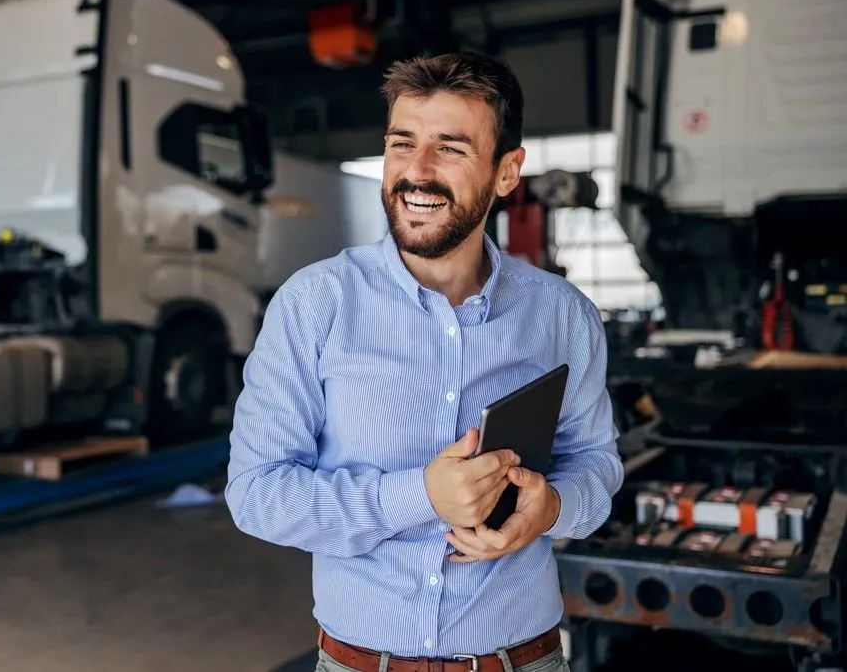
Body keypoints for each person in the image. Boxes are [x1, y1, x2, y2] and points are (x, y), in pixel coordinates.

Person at [224, 51, 624, 672]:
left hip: (522, 660)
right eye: (401, 143)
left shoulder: (562, 315)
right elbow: (256, 494)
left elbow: (596, 466)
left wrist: (553, 507)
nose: (416, 172)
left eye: (451, 149)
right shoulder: (314, 305)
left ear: (507, 172)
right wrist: (420, 498)